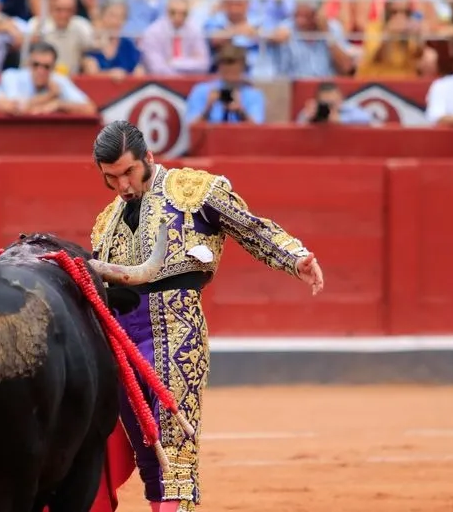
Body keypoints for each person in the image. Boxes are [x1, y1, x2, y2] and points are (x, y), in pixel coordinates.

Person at [89, 120, 324, 512]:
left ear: (148, 157)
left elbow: (250, 228)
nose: (123, 186)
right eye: (111, 178)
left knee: (176, 455)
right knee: (149, 455)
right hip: (124, 343)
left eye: (128, 172)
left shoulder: (193, 191)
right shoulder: (104, 223)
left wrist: (294, 257)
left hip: (176, 334)